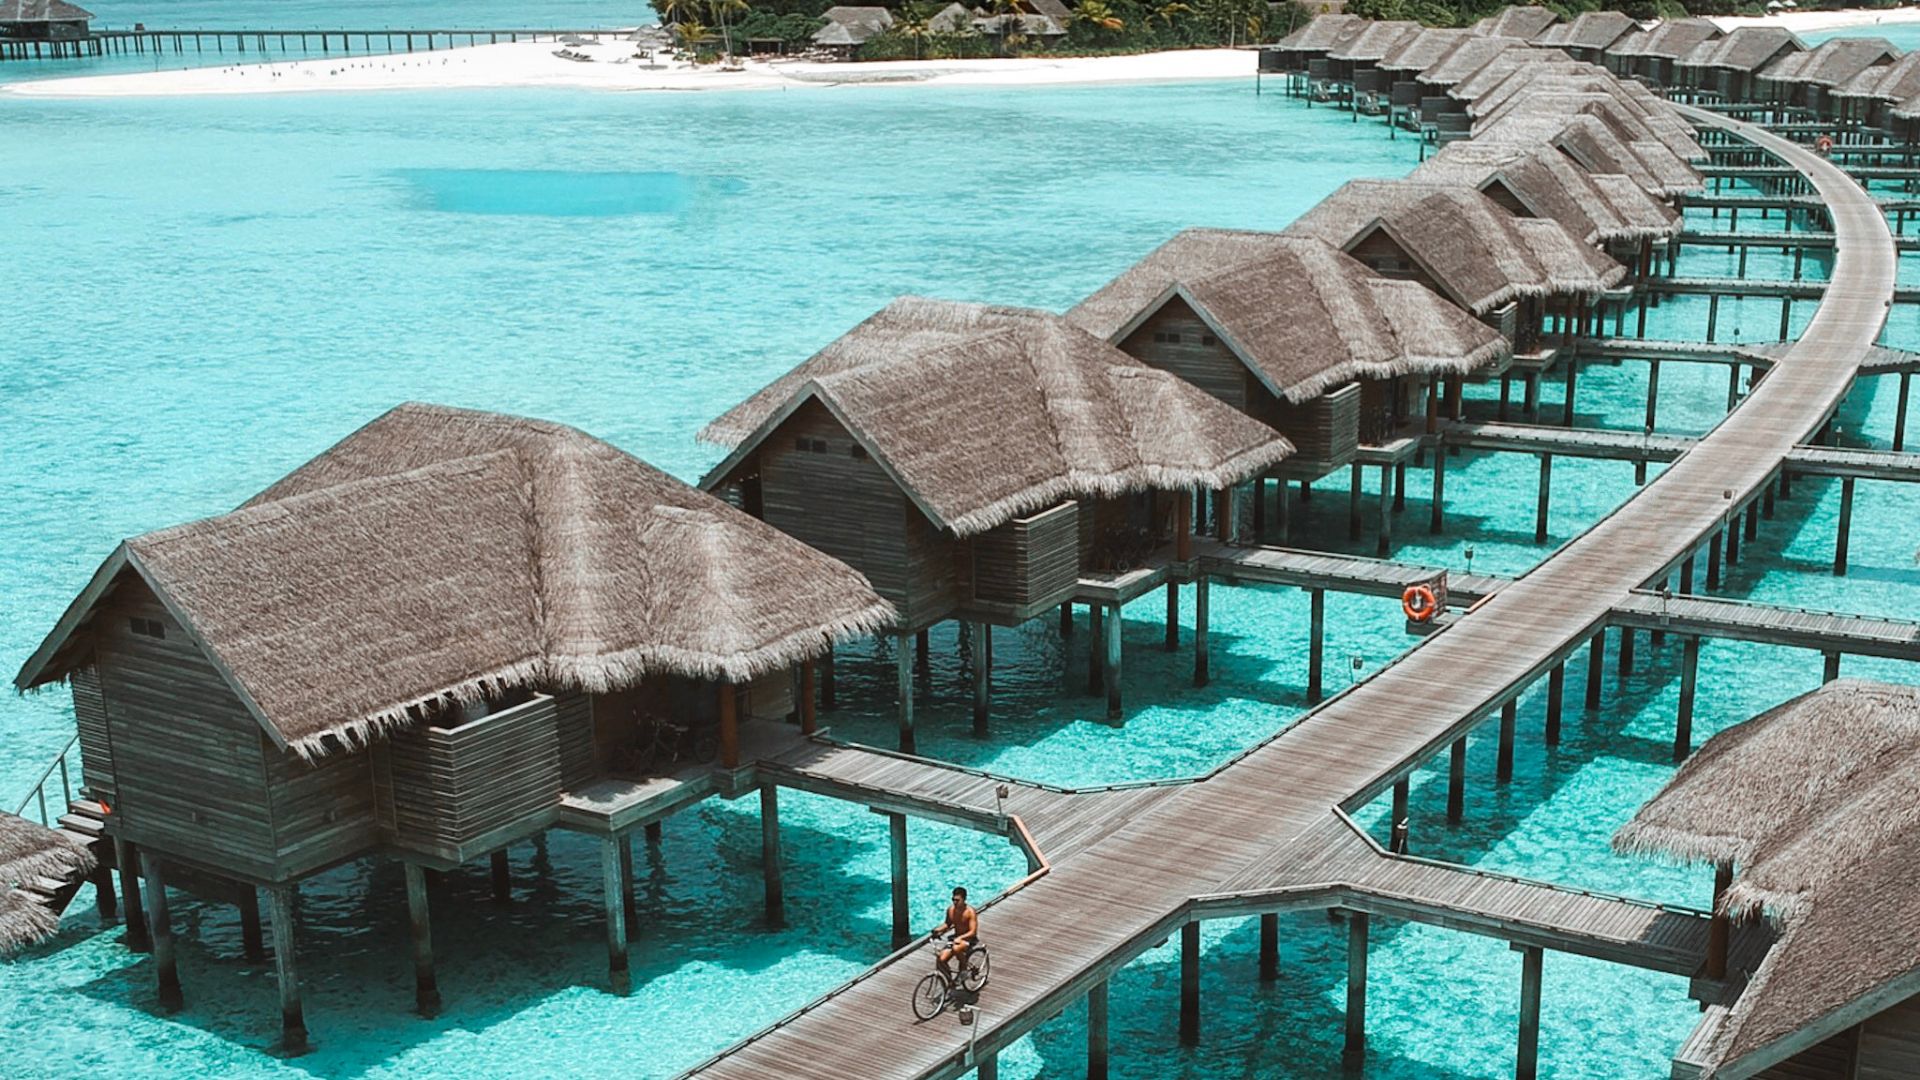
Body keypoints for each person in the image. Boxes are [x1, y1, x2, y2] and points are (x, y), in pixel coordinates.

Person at [930, 886, 979, 983]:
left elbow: (973, 932)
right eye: (953, 900)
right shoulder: (951, 910)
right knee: (941, 959)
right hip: (956, 938)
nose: (955, 902)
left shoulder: (970, 912)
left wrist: (960, 938)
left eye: (957, 900)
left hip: (968, 939)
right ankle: (950, 981)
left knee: (956, 948)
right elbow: (947, 924)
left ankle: (964, 969)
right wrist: (937, 930)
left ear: (964, 899)